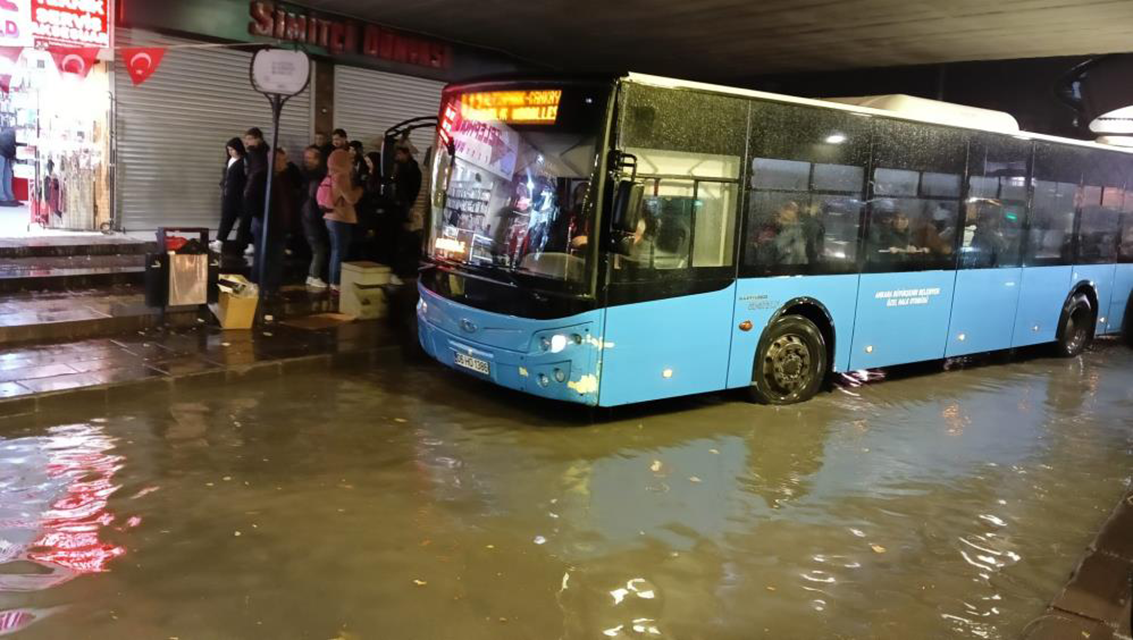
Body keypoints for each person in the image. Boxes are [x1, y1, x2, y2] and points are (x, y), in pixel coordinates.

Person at [322, 149, 363, 293]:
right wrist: (360, 190)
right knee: (340, 252)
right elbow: (351, 198)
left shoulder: (330, 174)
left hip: (330, 217)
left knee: (335, 251)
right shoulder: (341, 176)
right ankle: (335, 283)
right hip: (340, 218)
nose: (351, 163)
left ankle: (333, 281)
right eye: (348, 160)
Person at [390, 141, 422, 281]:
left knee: (400, 238)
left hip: (402, 206)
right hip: (400, 205)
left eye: (399, 154)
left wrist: (405, 204)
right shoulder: (401, 167)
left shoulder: (410, 170)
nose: (397, 156)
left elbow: (410, 190)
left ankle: (399, 270)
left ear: (406, 154)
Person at [300, 146, 329, 290]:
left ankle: (313, 275)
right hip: (311, 218)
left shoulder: (317, 176)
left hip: (309, 217)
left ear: (318, 159)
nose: (306, 161)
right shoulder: (315, 178)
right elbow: (313, 200)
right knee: (318, 250)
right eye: (305, 158)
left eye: (309, 158)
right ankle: (314, 276)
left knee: (317, 249)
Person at [212, 137, 246, 253]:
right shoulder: (230, 160)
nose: (230, 152)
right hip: (228, 196)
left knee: (245, 221)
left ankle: (250, 244)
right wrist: (222, 185)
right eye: (228, 150)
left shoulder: (244, 161)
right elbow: (226, 176)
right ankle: (219, 242)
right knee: (226, 219)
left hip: (239, 196)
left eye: (232, 149)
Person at [753, 200, 808, 267]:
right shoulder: (767, 229)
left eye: (783, 219)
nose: (778, 220)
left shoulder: (794, 231)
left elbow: (778, 248)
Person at [0, 125, 17, 206]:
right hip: (2, 152)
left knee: (6, 175)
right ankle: (3, 198)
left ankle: (9, 197)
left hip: (5, 152)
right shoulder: (14, 134)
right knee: (4, 175)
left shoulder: (8, 132)